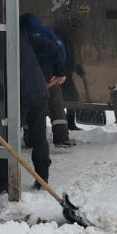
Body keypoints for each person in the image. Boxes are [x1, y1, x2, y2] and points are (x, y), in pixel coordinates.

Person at [0, 15, 52, 194]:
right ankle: (42, 178)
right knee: (39, 136)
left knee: (7, 136)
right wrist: (57, 70)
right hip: (39, 89)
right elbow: (51, 47)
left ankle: (3, 182)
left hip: (20, 92)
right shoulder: (23, 36)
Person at [20, 12, 74, 146]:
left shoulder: (20, 36)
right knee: (55, 102)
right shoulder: (45, 33)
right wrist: (60, 72)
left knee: (29, 107)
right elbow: (57, 49)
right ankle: (61, 137)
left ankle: (31, 138)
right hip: (49, 77)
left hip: (28, 80)